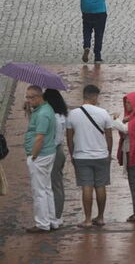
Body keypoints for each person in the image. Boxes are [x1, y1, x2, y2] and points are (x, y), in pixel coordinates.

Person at [66, 84, 113, 228]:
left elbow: (69, 137)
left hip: (81, 155)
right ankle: (100, 217)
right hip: (100, 155)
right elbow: (109, 136)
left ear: (84, 95)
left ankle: (87, 219)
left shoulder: (72, 114)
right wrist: (108, 153)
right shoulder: (103, 113)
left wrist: (73, 153)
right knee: (100, 186)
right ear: (94, 96)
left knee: (86, 186)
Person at [24, 85, 58, 232]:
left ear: (39, 97)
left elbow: (39, 137)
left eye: (31, 98)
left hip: (40, 155)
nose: (28, 100)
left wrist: (33, 156)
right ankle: (51, 220)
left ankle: (42, 223)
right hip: (47, 153)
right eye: (27, 97)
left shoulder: (43, 113)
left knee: (39, 191)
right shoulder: (45, 109)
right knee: (46, 188)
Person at [111, 91, 135, 222]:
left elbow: (127, 130)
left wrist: (116, 121)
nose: (127, 105)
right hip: (130, 152)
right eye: (126, 102)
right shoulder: (134, 116)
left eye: (129, 102)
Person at [42, 89, 68, 229]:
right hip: (58, 151)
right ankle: (56, 214)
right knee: (56, 184)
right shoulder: (61, 116)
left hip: (53, 151)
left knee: (54, 184)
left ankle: (57, 215)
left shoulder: (53, 118)